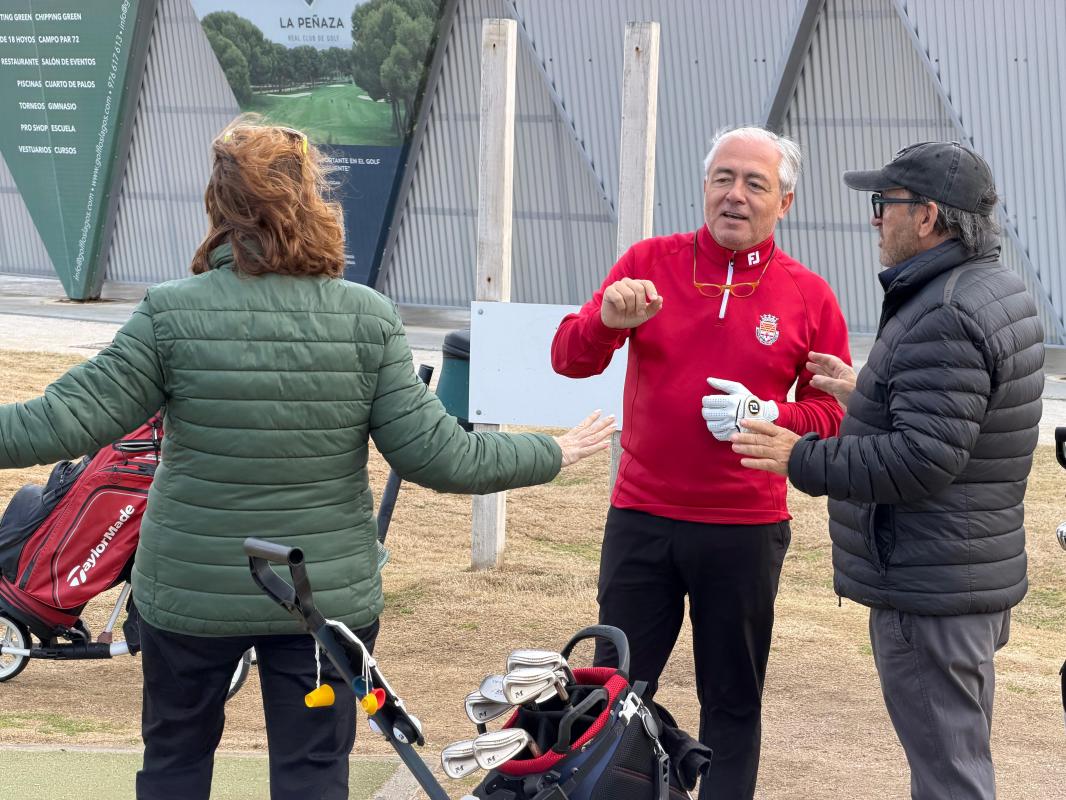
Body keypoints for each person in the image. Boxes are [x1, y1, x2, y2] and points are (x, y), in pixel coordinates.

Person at [0, 120, 614, 800]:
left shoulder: (170, 314)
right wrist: (551, 451)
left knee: (174, 763)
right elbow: (440, 456)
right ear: (312, 200)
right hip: (321, 597)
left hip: (189, 594)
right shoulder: (367, 317)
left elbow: (56, 421)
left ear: (219, 205)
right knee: (314, 774)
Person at [730, 141, 1044, 799]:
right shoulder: (993, 289)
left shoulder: (945, 311)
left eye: (885, 203)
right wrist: (867, 394)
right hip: (963, 576)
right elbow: (965, 421)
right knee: (955, 763)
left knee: (949, 779)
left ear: (927, 216)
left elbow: (923, 459)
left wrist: (800, 455)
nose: (875, 217)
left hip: (931, 591)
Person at [550, 126, 851, 798]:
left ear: (784, 203)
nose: (735, 195)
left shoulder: (808, 294)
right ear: (705, 186)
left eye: (755, 184)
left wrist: (767, 414)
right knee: (612, 695)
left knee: (733, 702)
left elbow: (832, 413)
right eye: (723, 178)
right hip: (642, 518)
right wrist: (606, 322)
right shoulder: (648, 264)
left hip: (745, 528)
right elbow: (568, 357)